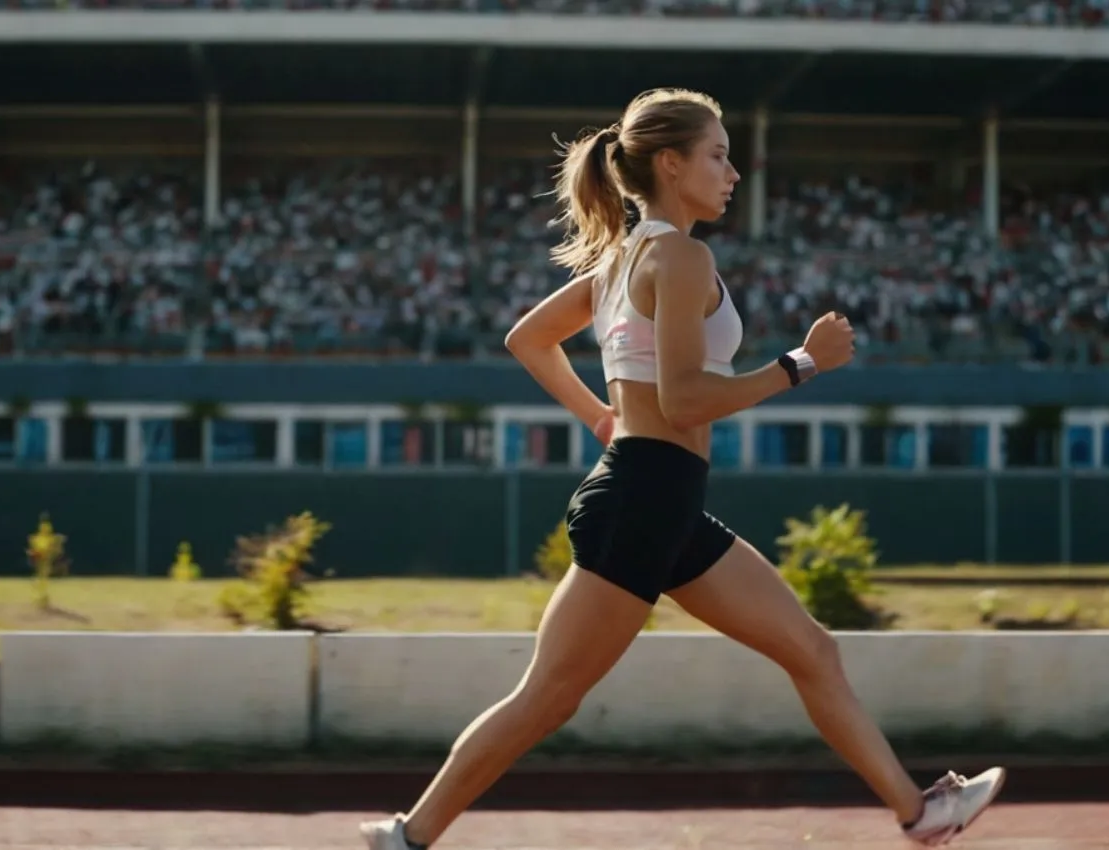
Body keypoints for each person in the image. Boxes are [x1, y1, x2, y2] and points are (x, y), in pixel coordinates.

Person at [358, 87, 1006, 849]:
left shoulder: (626, 259)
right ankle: (408, 837)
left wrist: (600, 415)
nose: (733, 173)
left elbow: (528, 339)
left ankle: (919, 812)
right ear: (671, 163)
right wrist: (800, 363)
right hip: (644, 499)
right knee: (548, 697)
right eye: (718, 156)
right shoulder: (679, 255)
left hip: (662, 499)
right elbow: (687, 398)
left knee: (811, 650)